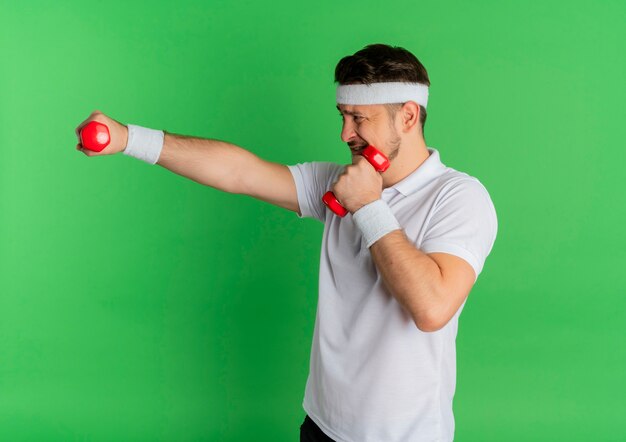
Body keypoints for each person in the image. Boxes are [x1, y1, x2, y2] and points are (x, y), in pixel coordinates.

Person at [75, 43, 498, 442]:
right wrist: (129, 138)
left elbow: (432, 308)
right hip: (320, 425)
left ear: (407, 117)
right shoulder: (338, 181)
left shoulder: (458, 197)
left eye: (358, 118)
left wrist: (368, 206)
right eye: (341, 115)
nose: (344, 133)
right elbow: (240, 172)